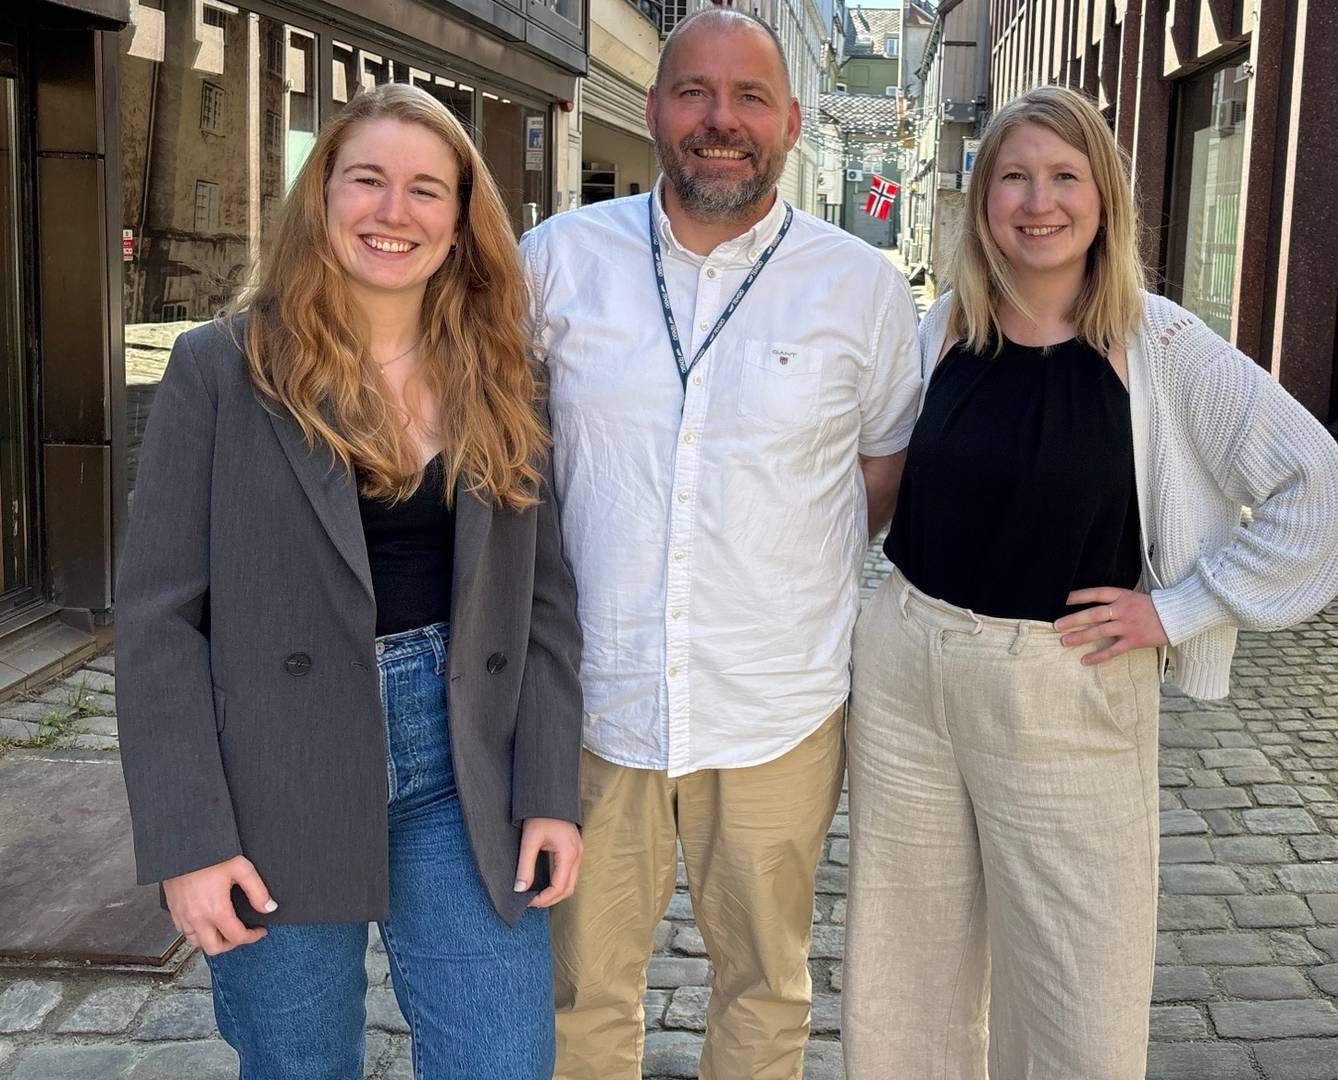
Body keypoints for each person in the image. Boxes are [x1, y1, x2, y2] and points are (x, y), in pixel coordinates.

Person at [842, 84, 1338, 1079]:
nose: (1039, 202)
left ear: (1105, 196)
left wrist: (1179, 610)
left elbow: (1320, 496)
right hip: (908, 669)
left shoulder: (1159, 345)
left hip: (1065, 687)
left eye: (1065, 176)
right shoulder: (948, 324)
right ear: (982, 198)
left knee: (1078, 989)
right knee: (904, 969)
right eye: (1014, 177)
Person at [115, 83, 583, 1080]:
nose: (392, 212)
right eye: (366, 180)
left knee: (503, 1058)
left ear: (460, 222)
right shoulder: (219, 370)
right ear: (322, 197)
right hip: (275, 767)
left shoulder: (507, 373)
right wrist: (189, 839)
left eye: (426, 189)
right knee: (298, 1063)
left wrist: (549, 789)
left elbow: (542, 597)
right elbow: (157, 619)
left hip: (463, 758)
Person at [518, 10, 922, 1078]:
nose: (721, 121)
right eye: (694, 91)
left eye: (749, 98)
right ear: (653, 110)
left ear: (792, 121)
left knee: (766, 988)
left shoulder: (863, 290)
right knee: (578, 992)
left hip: (777, 710)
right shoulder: (553, 265)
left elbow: (875, 480)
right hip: (597, 706)